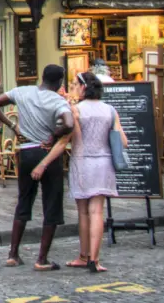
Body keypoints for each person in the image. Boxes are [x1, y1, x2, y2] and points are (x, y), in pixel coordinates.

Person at [31, 73, 126, 273]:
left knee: (83, 211)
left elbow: (65, 141)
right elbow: (123, 141)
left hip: (82, 162)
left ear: (83, 88)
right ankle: (96, 260)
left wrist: (44, 163)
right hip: (104, 162)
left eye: (75, 84)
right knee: (97, 211)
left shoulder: (76, 110)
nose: (73, 87)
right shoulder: (110, 110)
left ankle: (83, 256)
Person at [0, 64, 74, 271]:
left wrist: (13, 126)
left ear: (42, 77)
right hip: (46, 153)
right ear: (60, 82)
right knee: (51, 204)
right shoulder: (57, 100)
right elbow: (69, 124)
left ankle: (13, 253)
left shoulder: (22, 92)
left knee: (24, 200)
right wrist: (54, 135)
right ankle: (41, 258)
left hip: (25, 151)